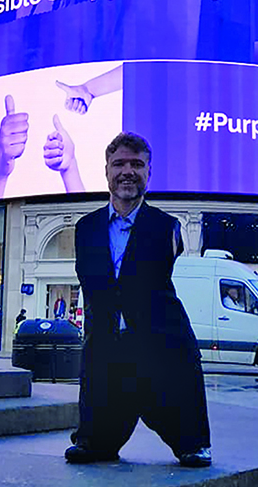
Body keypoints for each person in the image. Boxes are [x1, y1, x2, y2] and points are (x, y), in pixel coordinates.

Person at [65, 132, 211, 468]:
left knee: (177, 391)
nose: (127, 171)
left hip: (159, 337)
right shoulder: (86, 228)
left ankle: (192, 443)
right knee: (99, 407)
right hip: (105, 339)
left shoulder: (167, 227)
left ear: (149, 171)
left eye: (137, 164)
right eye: (119, 164)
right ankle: (94, 441)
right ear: (106, 171)